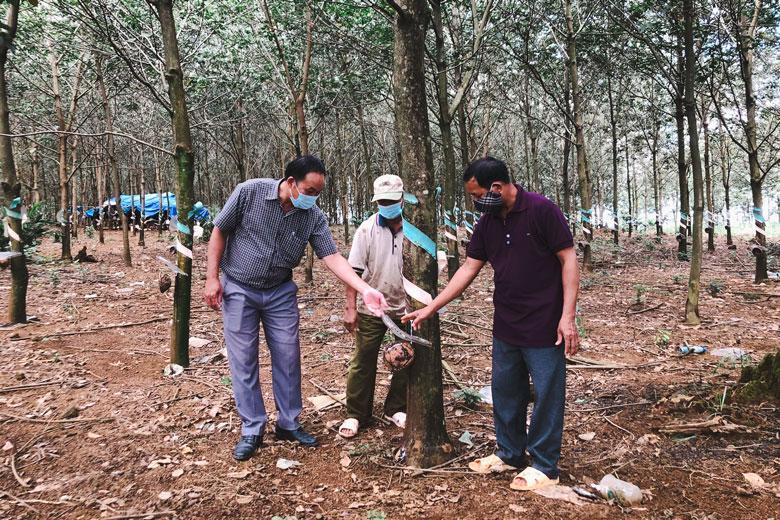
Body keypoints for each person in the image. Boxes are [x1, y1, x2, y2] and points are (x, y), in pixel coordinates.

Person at [403, 157, 580, 491]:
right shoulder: (486, 223)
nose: (475, 202)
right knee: (505, 391)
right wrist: (432, 307)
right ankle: (510, 453)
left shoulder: (542, 211)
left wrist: (567, 317)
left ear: (497, 188)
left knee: (546, 394)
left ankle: (544, 464)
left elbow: (568, 259)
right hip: (507, 324)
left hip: (545, 325)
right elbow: (468, 269)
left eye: (477, 195)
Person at [203, 155, 388, 461]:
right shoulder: (249, 192)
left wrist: (365, 289)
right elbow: (219, 231)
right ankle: (252, 428)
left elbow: (332, 257)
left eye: (319, 192)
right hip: (239, 286)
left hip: (279, 291)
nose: (313, 198)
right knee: (243, 359)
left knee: (288, 356)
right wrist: (212, 278)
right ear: (291, 183)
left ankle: (288, 423)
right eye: (310, 190)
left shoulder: (312, 216)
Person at [339, 174, 409, 438]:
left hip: (406, 308)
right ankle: (356, 414)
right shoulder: (366, 230)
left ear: (402, 199)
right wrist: (351, 307)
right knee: (363, 360)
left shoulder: (414, 230)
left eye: (391, 201)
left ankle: (396, 408)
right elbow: (352, 272)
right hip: (372, 308)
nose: (386, 206)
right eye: (381, 201)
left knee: (406, 358)